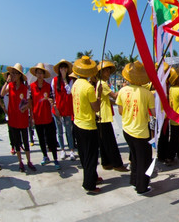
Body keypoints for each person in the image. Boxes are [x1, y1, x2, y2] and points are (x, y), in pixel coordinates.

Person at [116, 61, 155, 194]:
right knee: (144, 160)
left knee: (134, 158)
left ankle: (134, 181)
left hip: (127, 130)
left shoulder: (122, 91)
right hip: (141, 132)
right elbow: (154, 113)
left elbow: (120, 111)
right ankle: (142, 187)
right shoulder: (147, 93)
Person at [72, 56, 102, 194]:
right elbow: (96, 107)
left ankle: (92, 176)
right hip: (88, 125)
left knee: (84, 154)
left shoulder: (76, 84)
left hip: (77, 123)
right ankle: (89, 184)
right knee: (91, 156)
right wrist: (99, 95)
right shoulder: (89, 88)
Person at [0, 63, 36, 172]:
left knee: (25, 141)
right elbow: (1, 94)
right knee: (16, 142)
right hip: (13, 118)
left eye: (15, 73)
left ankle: (29, 161)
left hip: (23, 118)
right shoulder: (10, 86)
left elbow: (29, 103)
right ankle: (20, 162)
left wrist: (28, 111)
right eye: (12, 73)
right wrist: (7, 81)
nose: (13, 75)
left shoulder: (25, 88)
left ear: (20, 75)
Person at [95, 60, 128, 172]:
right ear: (101, 72)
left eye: (109, 70)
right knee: (110, 142)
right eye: (106, 70)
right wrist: (123, 88)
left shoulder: (100, 83)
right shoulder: (103, 84)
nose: (108, 72)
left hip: (101, 115)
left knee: (103, 143)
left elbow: (109, 100)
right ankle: (117, 164)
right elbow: (114, 96)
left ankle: (106, 162)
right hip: (103, 116)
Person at [29, 63, 60, 170]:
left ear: (43, 74)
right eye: (38, 73)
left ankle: (55, 159)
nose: (39, 75)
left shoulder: (48, 86)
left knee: (51, 139)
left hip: (47, 117)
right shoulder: (32, 86)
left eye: (41, 73)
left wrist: (52, 102)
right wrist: (31, 117)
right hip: (37, 117)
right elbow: (30, 102)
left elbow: (52, 99)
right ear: (36, 74)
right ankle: (45, 156)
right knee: (41, 138)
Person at [52, 60, 76, 160]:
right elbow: (52, 95)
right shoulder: (54, 80)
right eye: (61, 68)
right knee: (59, 131)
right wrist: (55, 107)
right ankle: (62, 149)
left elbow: (69, 91)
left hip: (67, 109)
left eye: (65, 68)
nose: (63, 70)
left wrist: (65, 80)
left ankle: (71, 150)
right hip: (57, 109)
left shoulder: (70, 80)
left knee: (68, 131)